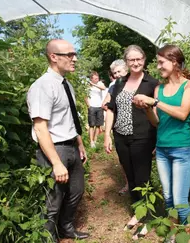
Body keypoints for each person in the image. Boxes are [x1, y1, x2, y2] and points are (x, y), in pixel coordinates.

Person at [133, 44, 190, 243]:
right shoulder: (158, 89)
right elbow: (156, 122)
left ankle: (189, 238)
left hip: (182, 150)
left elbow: (182, 114)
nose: (158, 66)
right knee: (168, 197)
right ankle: (172, 235)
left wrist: (155, 103)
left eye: (162, 62)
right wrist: (146, 108)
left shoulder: (189, 85)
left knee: (180, 201)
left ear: (174, 62)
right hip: (162, 149)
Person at [26, 39, 89, 242]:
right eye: (70, 55)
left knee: (77, 190)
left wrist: (79, 143)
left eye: (74, 54)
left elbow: (70, 117)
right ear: (54, 57)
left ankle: (66, 227)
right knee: (53, 201)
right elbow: (40, 128)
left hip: (71, 145)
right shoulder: (42, 86)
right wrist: (56, 162)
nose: (75, 59)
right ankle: (48, 238)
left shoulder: (66, 83)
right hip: (55, 150)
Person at [104, 45, 159, 238]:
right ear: (126, 62)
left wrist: (157, 141)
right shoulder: (119, 83)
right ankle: (138, 212)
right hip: (121, 137)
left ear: (144, 60)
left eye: (139, 59)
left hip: (143, 137)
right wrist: (107, 135)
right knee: (130, 176)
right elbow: (111, 109)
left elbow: (158, 115)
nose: (135, 63)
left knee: (142, 178)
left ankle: (149, 217)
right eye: (131, 60)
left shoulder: (152, 83)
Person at [102, 59, 130, 195]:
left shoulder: (137, 82)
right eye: (115, 73)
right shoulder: (114, 87)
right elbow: (105, 104)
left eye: (120, 71)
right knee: (124, 159)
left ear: (127, 70)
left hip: (138, 128)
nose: (118, 74)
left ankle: (144, 187)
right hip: (119, 127)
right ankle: (128, 183)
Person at [85, 71, 106, 148]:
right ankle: (91, 142)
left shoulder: (100, 83)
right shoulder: (87, 85)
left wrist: (94, 84)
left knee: (98, 125)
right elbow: (85, 96)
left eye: (97, 78)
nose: (97, 79)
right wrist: (88, 105)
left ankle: (95, 140)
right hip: (92, 107)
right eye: (95, 78)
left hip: (99, 107)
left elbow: (103, 88)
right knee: (91, 125)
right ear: (91, 78)